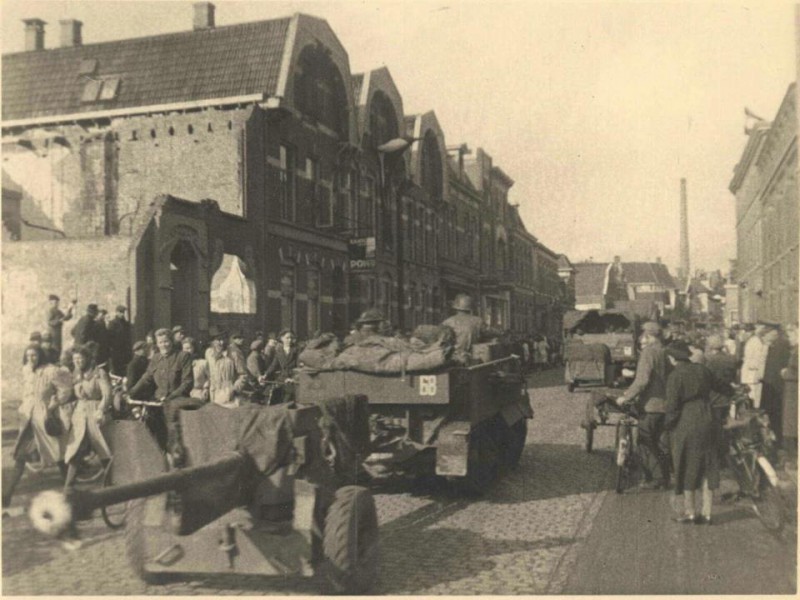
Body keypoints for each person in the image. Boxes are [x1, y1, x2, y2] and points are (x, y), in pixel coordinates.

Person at [3, 346, 73, 509]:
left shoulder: (50, 371)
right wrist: (23, 408)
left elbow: (65, 390)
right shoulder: (27, 371)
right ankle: (6, 496)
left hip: (44, 418)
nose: (30, 359)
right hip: (28, 420)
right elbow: (26, 393)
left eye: (34, 355)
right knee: (20, 456)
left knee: (59, 456)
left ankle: (71, 492)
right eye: (28, 356)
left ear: (40, 356)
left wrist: (54, 404)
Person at [664, 341, 723, 525]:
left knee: (687, 464)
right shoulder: (702, 370)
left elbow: (672, 407)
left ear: (673, 359)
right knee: (708, 465)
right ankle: (707, 513)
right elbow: (722, 387)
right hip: (708, 417)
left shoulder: (675, 376)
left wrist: (668, 425)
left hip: (687, 421)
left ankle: (690, 512)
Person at [616, 321, 671, 489]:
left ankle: (655, 479)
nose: (641, 338)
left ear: (648, 336)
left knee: (644, 442)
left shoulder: (648, 353)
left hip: (650, 405)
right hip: (664, 404)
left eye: (643, 335)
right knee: (660, 443)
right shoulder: (664, 351)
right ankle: (665, 477)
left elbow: (642, 381)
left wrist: (626, 397)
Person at [127, 328, 194, 465]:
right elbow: (146, 378)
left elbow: (187, 382)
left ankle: (178, 460)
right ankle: (157, 459)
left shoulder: (182, 357)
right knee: (148, 426)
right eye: (160, 342)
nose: (164, 345)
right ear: (156, 344)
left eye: (166, 341)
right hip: (158, 402)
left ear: (171, 342)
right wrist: (131, 392)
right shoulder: (156, 359)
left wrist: (171, 397)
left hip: (177, 402)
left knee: (174, 433)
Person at [63, 346, 113, 490]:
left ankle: (111, 487)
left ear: (87, 358)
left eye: (80, 358)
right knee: (75, 449)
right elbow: (73, 394)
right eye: (75, 359)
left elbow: (107, 394)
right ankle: (68, 487)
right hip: (80, 414)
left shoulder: (99, 373)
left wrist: (101, 410)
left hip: (96, 413)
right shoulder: (76, 374)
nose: (77, 361)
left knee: (103, 449)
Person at [761, 324, 789, 447]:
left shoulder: (779, 346)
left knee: (775, 415)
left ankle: (778, 443)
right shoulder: (778, 345)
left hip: (774, 388)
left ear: (774, 333)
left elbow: (773, 370)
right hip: (773, 386)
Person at [205, 326, 245, 408]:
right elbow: (207, 372)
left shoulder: (234, 353)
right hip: (213, 393)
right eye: (218, 340)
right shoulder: (208, 353)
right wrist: (205, 387)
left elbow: (243, 374)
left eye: (223, 339)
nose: (221, 342)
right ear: (213, 341)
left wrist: (234, 389)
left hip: (229, 395)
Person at [441, 295, 485, 362]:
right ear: (470, 308)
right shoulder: (478, 321)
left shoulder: (448, 322)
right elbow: (488, 333)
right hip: (473, 357)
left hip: (453, 358)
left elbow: (442, 342)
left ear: (456, 308)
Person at [265, 329, 299, 404]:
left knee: (288, 399)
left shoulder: (296, 350)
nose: (290, 340)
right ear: (282, 338)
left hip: (293, 379)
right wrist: (265, 375)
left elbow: (299, 367)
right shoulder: (279, 351)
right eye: (287, 338)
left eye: (291, 338)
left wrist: (293, 378)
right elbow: (273, 365)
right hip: (282, 378)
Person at [781, 325, 798, 459]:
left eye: (791, 335)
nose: (789, 339)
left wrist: (786, 373)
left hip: (795, 393)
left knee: (793, 422)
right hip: (793, 392)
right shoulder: (795, 350)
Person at [107, 305, 132, 377]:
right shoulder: (112, 323)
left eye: (123, 312)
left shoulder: (126, 324)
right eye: (121, 312)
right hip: (116, 351)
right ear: (116, 312)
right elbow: (110, 337)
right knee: (117, 370)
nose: (122, 314)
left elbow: (128, 337)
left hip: (125, 350)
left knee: (125, 369)